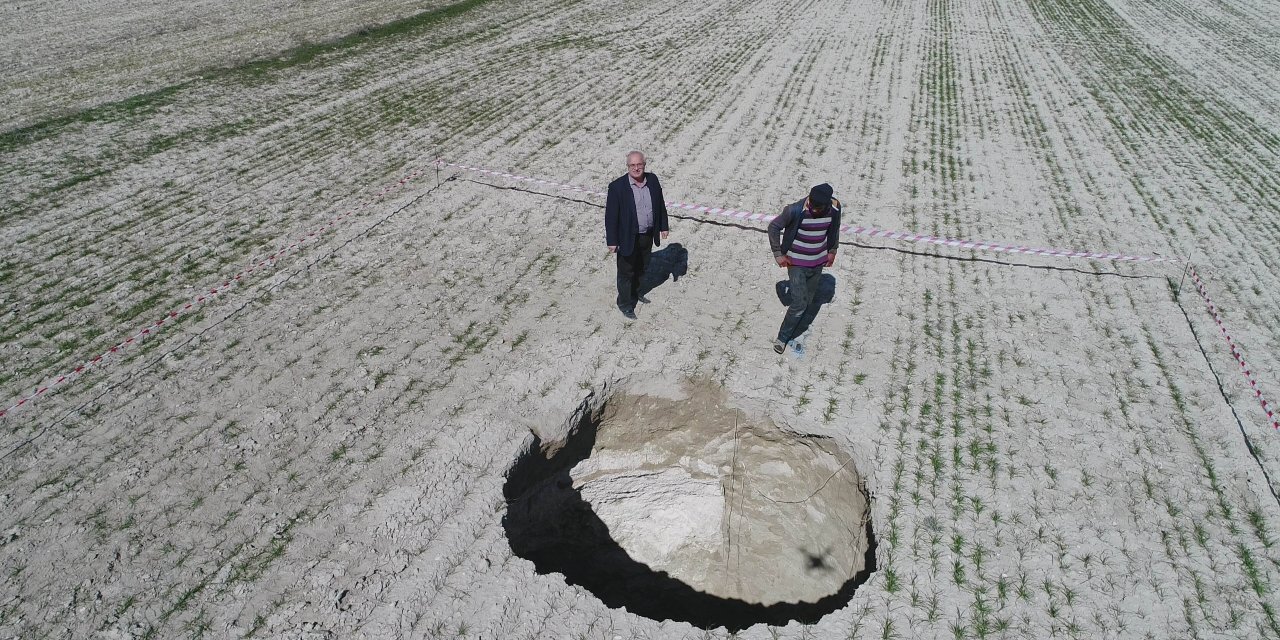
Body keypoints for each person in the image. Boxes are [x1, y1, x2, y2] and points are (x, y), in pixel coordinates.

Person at [767, 183, 840, 353]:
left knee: (808, 300)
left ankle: (798, 326)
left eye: (818, 207)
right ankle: (783, 338)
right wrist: (778, 254)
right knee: (799, 304)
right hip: (796, 263)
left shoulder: (835, 208)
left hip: (818, 262)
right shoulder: (794, 210)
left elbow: (835, 229)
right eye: (812, 206)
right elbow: (774, 227)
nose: (814, 210)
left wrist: (832, 250)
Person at [605, 151, 670, 319]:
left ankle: (636, 293)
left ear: (644, 164)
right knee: (626, 272)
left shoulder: (653, 180)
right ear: (627, 167)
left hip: (647, 235)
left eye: (639, 164)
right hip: (627, 237)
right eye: (632, 165)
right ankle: (625, 303)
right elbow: (611, 217)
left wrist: (663, 226)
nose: (636, 168)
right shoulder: (617, 187)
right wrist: (612, 241)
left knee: (641, 267)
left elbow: (660, 204)